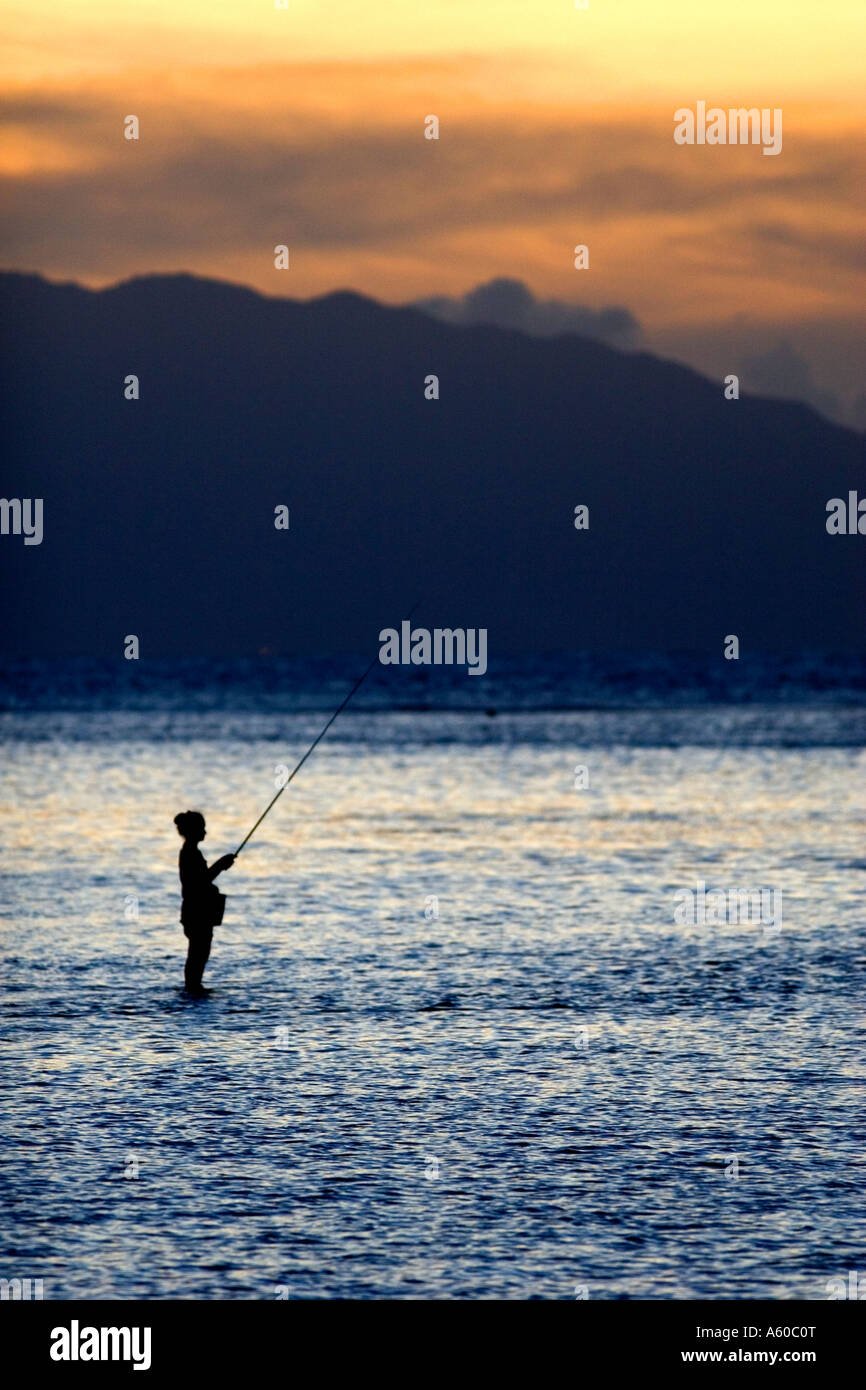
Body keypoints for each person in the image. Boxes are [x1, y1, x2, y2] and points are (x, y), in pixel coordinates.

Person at [173, 811, 234, 994]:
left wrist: (220, 866)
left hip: (195, 911)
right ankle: (193, 987)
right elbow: (200, 881)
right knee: (198, 953)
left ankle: (193, 986)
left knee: (199, 952)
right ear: (193, 830)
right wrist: (220, 865)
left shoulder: (190, 851)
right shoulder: (190, 853)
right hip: (196, 912)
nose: (205, 832)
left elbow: (201, 879)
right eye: (202, 828)